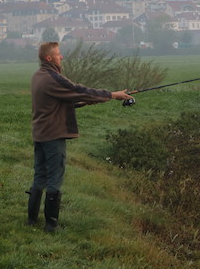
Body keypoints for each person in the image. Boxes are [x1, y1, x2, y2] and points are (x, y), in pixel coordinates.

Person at [27, 41, 130, 232]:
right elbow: (78, 90)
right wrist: (111, 95)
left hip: (40, 133)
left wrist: (87, 101)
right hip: (53, 135)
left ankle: (31, 221)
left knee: (39, 176)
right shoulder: (52, 78)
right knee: (54, 178)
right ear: (49, 58)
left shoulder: (38, 76)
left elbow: (60, 102)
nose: (62, 57)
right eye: (58, 54)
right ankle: (51, 225)